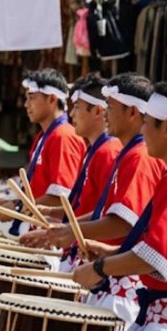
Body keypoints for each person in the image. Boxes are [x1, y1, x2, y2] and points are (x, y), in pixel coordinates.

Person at [73, 81, 167, 331]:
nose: (143, 130)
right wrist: (110, 252)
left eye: (148, 123)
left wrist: (99, 268)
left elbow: (155, 256)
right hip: (164, 315)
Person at [43, 73, 164, 331]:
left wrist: (71, 230)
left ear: (132, 111)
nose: (105, 112)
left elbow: (123, 223)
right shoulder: (127, 152)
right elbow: (110, 213)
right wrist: (67, 226)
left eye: (109, 106)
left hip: (125, 284)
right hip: (108, 272)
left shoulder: (137, 156)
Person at [20, 73, 122, 271]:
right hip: (79, 250)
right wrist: (53, 216)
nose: (71, 114)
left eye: (76, 107)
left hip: (97, 260)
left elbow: (110, 215)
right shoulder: (95, 150)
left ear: (98, 112)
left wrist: (64, 228)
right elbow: (84, 206)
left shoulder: (107, 151)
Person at [0, 68, 85, 235]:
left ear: (51, 99)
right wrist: (13, 202)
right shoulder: (44, 137)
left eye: (32, 98)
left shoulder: (63, 137)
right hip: (38, 231)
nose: (26, 105)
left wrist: (17, 207)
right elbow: (38, 190)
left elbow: (61, 197)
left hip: (53, 236)